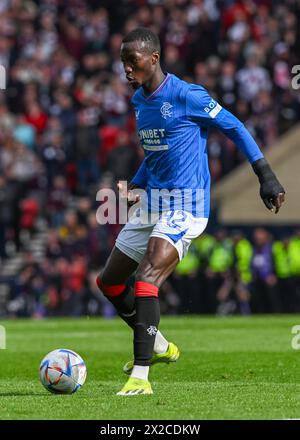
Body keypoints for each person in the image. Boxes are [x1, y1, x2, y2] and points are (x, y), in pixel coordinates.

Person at [96, 28, 285, 396]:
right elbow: (154, 154)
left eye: (131, 61)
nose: (126, 69)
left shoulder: (186, 95)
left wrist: (266, 176)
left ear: (153, 58)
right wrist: (134, 183)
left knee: (148, 276)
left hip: (187, 204)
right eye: (122, 62)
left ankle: (140, 375)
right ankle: (161, 345)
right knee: (110, 283)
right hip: (154, 202)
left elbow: (235, 127)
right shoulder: (139, 101)